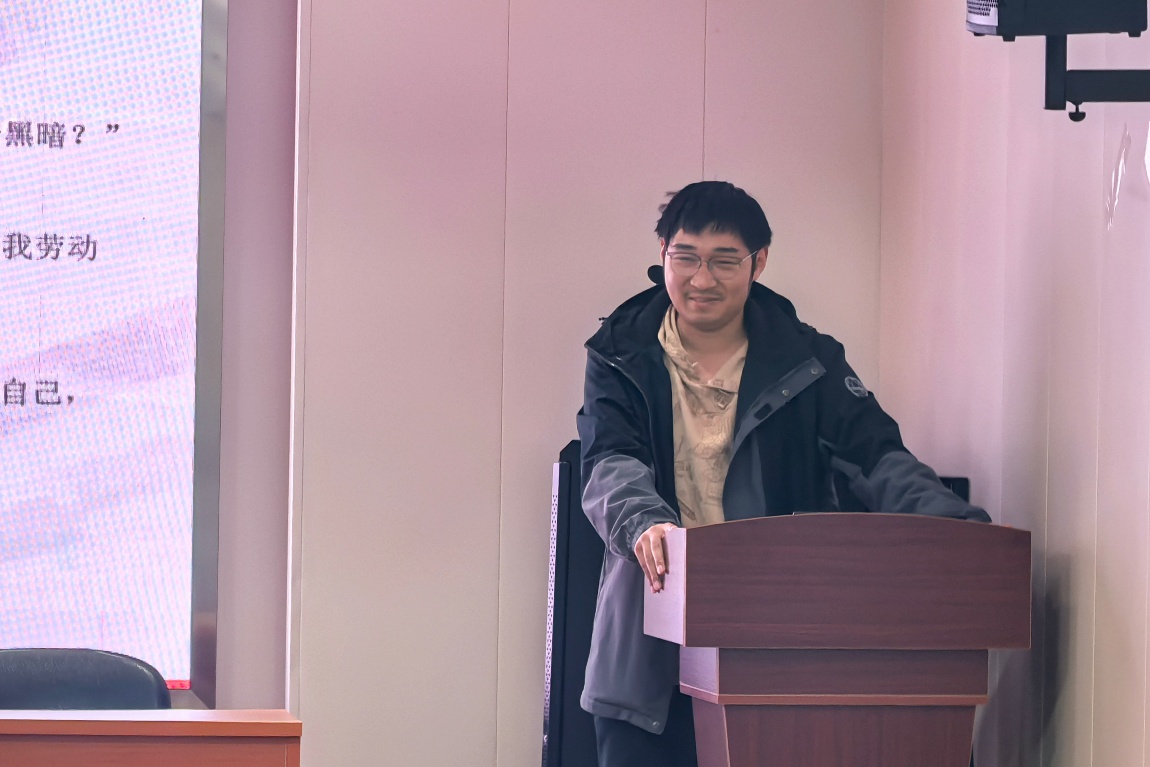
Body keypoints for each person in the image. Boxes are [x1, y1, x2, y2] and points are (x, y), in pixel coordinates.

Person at [576, 181, 990, 767]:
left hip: (774, 646)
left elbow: (878, 458)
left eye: (724, 261)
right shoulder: (618, 352)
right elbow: (609, 463)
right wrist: (645, 524)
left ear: (759, 262)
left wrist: (956, 528)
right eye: (686, 257)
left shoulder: (807, 360)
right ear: (663, 251)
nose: (701, 279)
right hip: (648, 649)